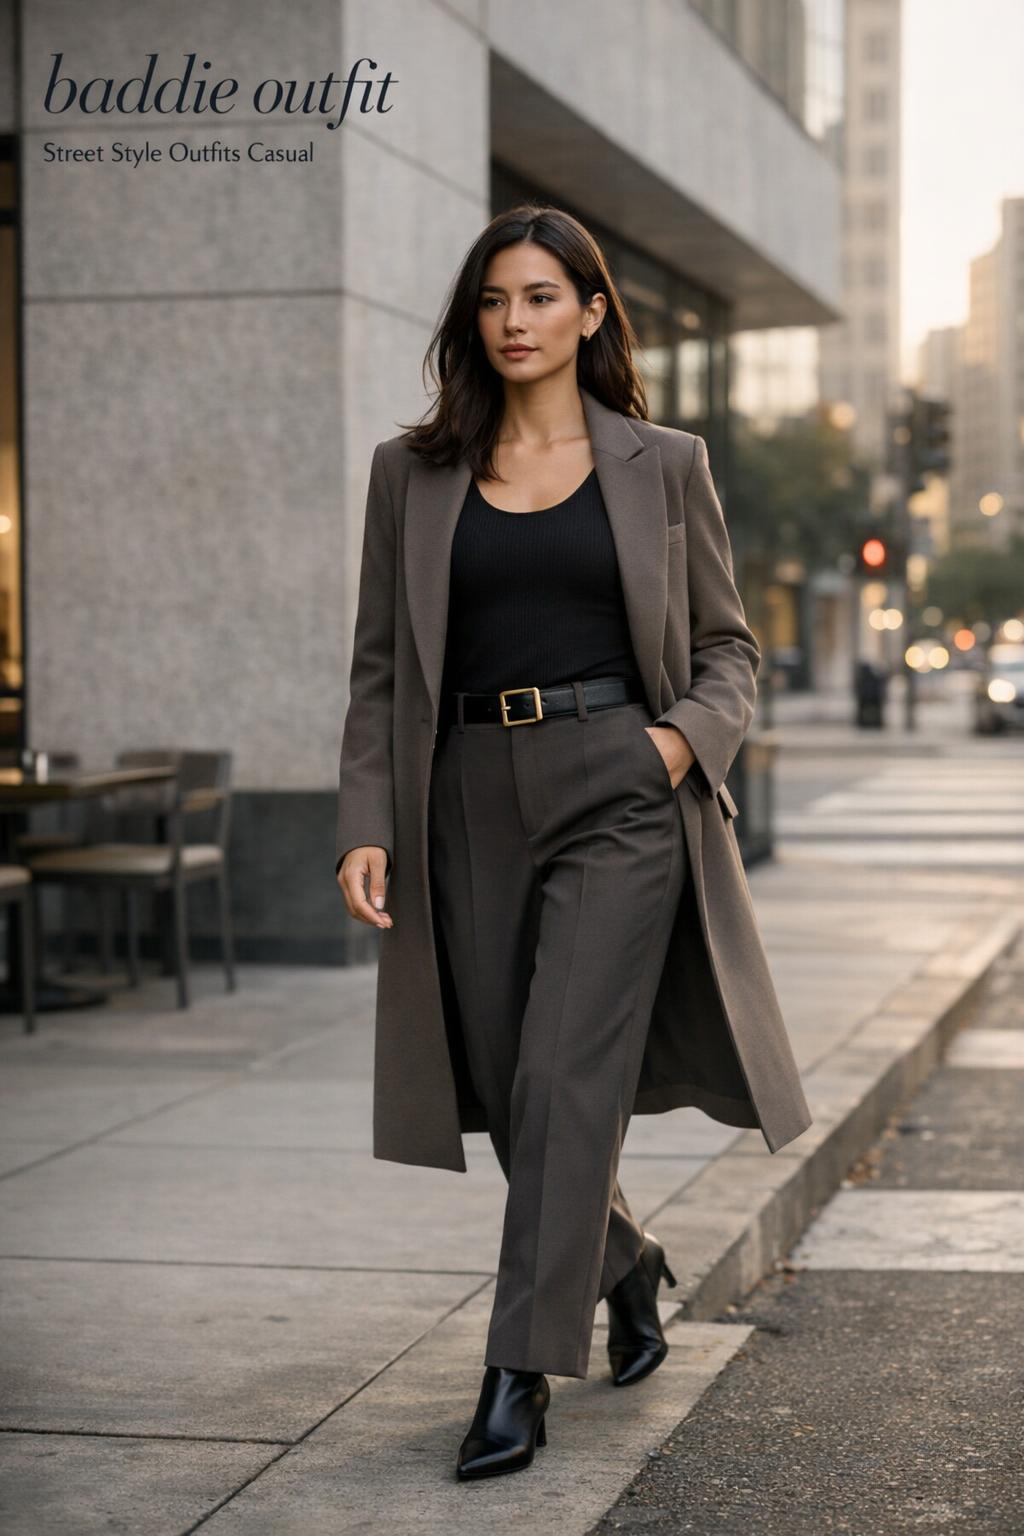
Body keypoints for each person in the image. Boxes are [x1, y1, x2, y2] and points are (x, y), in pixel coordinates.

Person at [334, 203, 811, 1481]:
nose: (514, 322)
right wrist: (365, 823)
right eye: (494, 300)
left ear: (593, 312)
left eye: (542, 297)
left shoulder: (666, 463)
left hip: (619, 788)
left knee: (561, 1081)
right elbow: (381, 670)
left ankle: (515, 1371)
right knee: (507, 1088)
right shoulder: (413, 472)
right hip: (464, 797)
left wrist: (668, 749)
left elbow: (726, 649)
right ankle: (624, 1261)